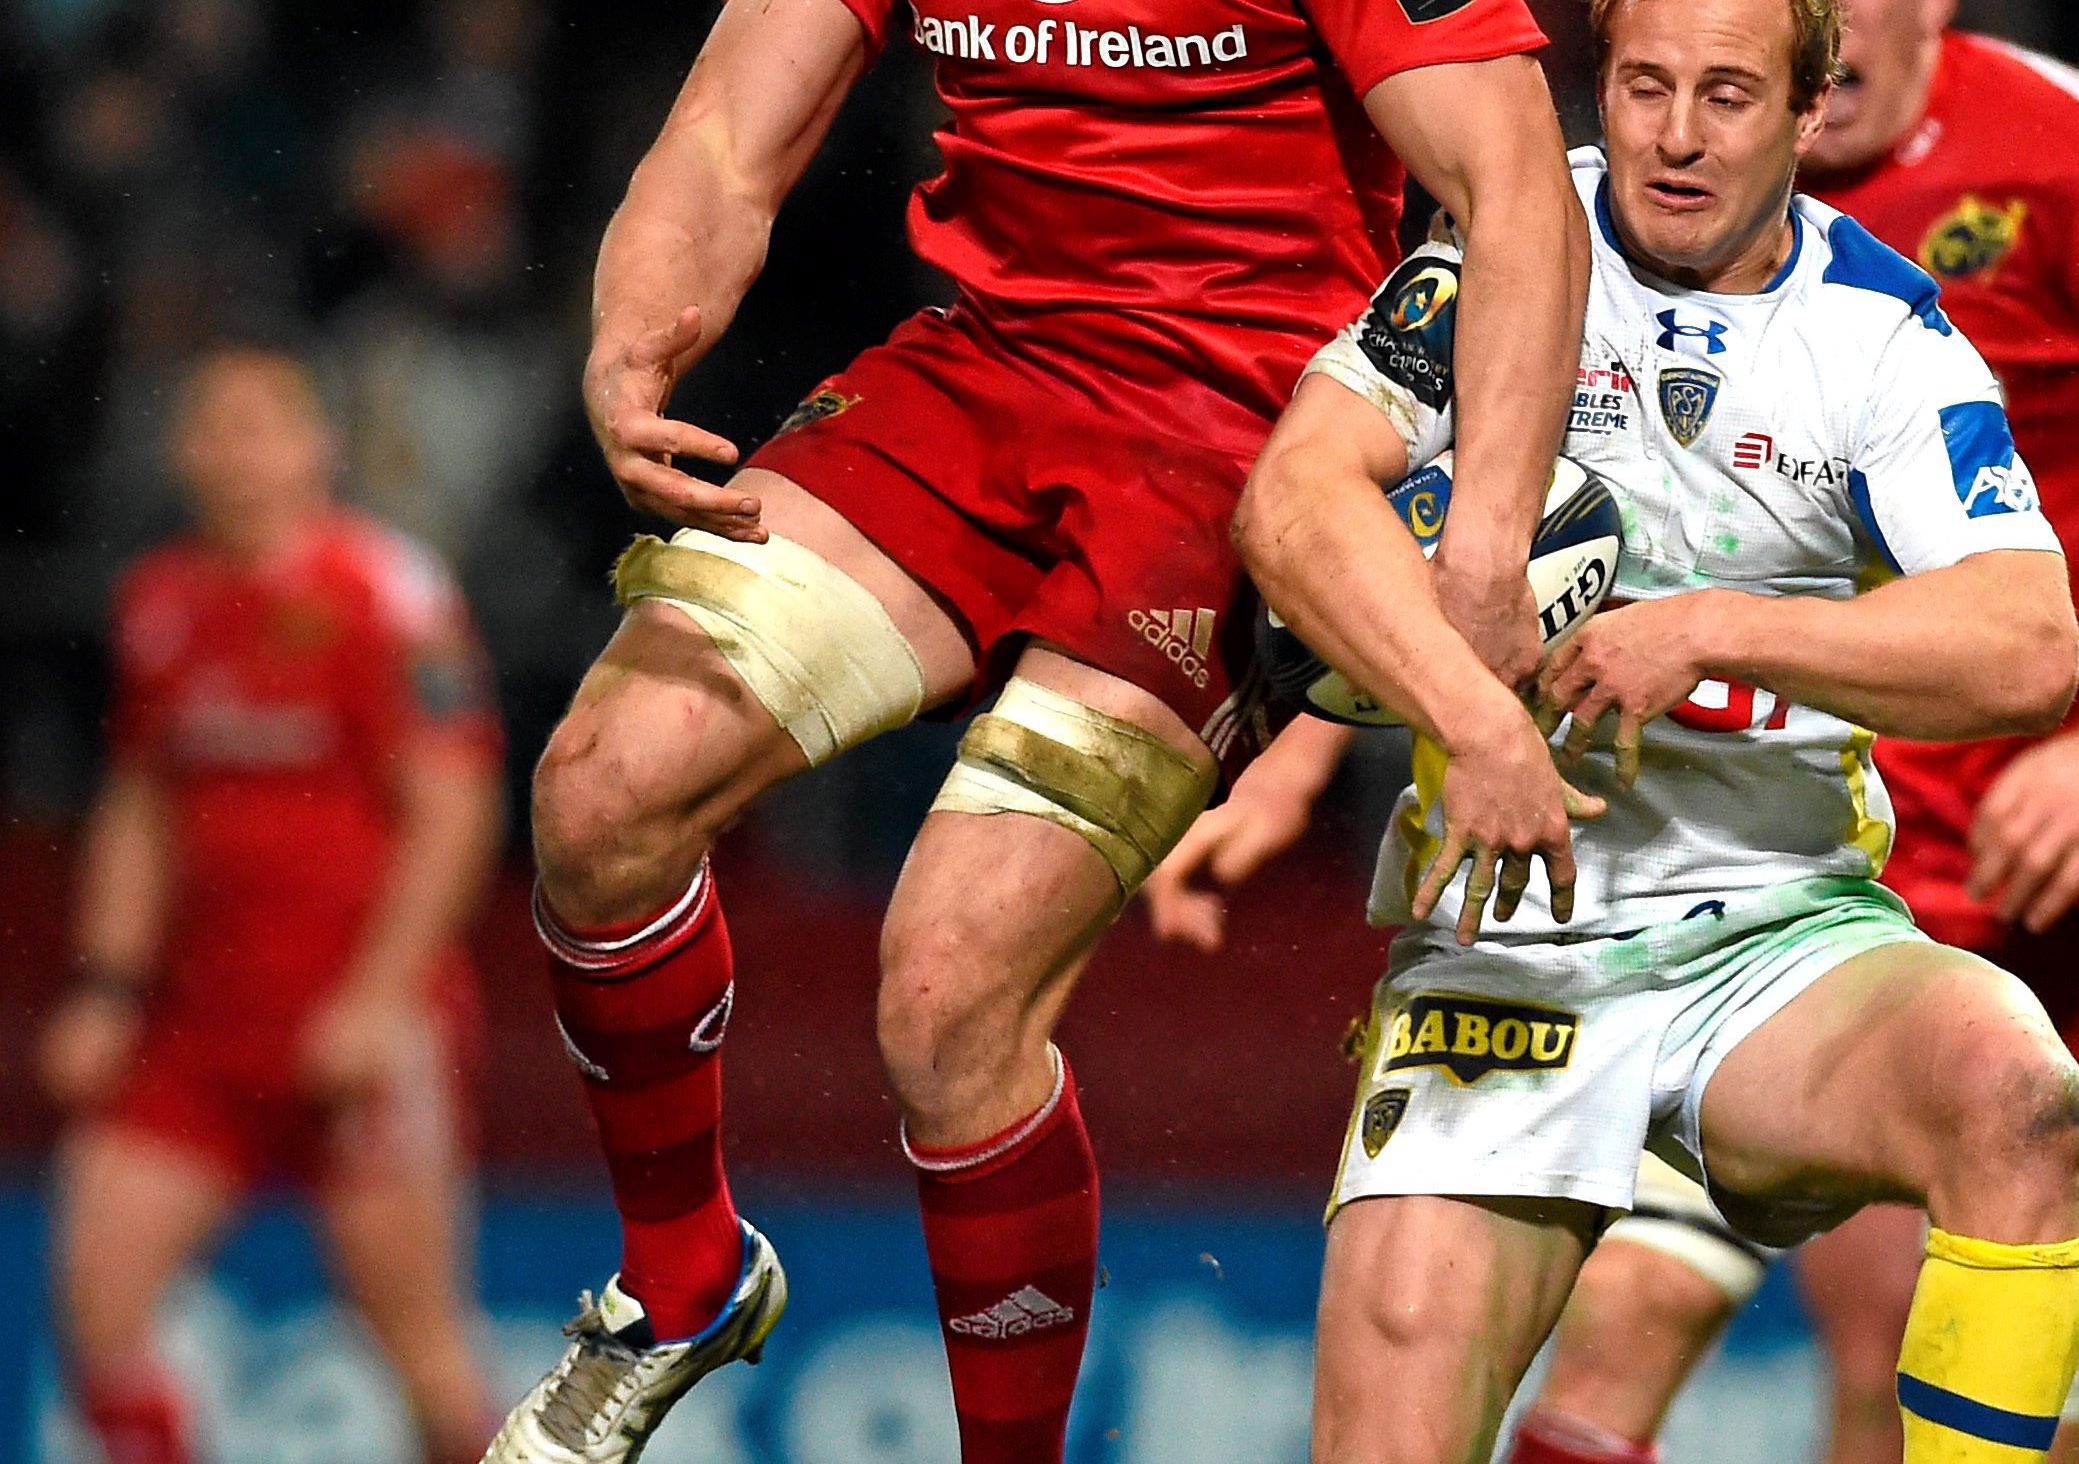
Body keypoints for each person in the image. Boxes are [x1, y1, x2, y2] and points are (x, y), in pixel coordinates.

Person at [483, 0, 1587, 1460]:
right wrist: (631, 331)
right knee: (600, 789)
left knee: (948, 990)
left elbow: (1518, 184)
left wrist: (1488, 545)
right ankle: (683, 1280)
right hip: (983, 369)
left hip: (1248, 428)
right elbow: (726, 129)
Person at [1470, 3, 2079, 1459]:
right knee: (1623, 1336)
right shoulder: (1653, 177)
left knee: (1983, 1406)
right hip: (1761, 881)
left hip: (2050, 900)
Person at [1221, 0, 2079, 1457]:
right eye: (1643, 86)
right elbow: (1294, 504)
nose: (1676, 136)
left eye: (1727, 95)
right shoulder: (1506, 250)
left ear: (1811, 111)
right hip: (1506, 945)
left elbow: (2030, 645)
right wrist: (1474, 724)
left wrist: (1712, 624)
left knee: (2015, 1094)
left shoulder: (1886, 338)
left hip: (1779, 938)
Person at [38, 346, 505, 1464]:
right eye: (214, 427)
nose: (237, 453)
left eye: (263, 426)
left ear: (317, 446)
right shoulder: (160, 602)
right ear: (183, 449)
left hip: (361, 1030)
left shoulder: (385, 593)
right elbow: (142, 805)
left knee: (420, 1348)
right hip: (200, 1034)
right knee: (98, 1307)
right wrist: (107, 984)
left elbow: (454, 809)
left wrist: (379, 999)